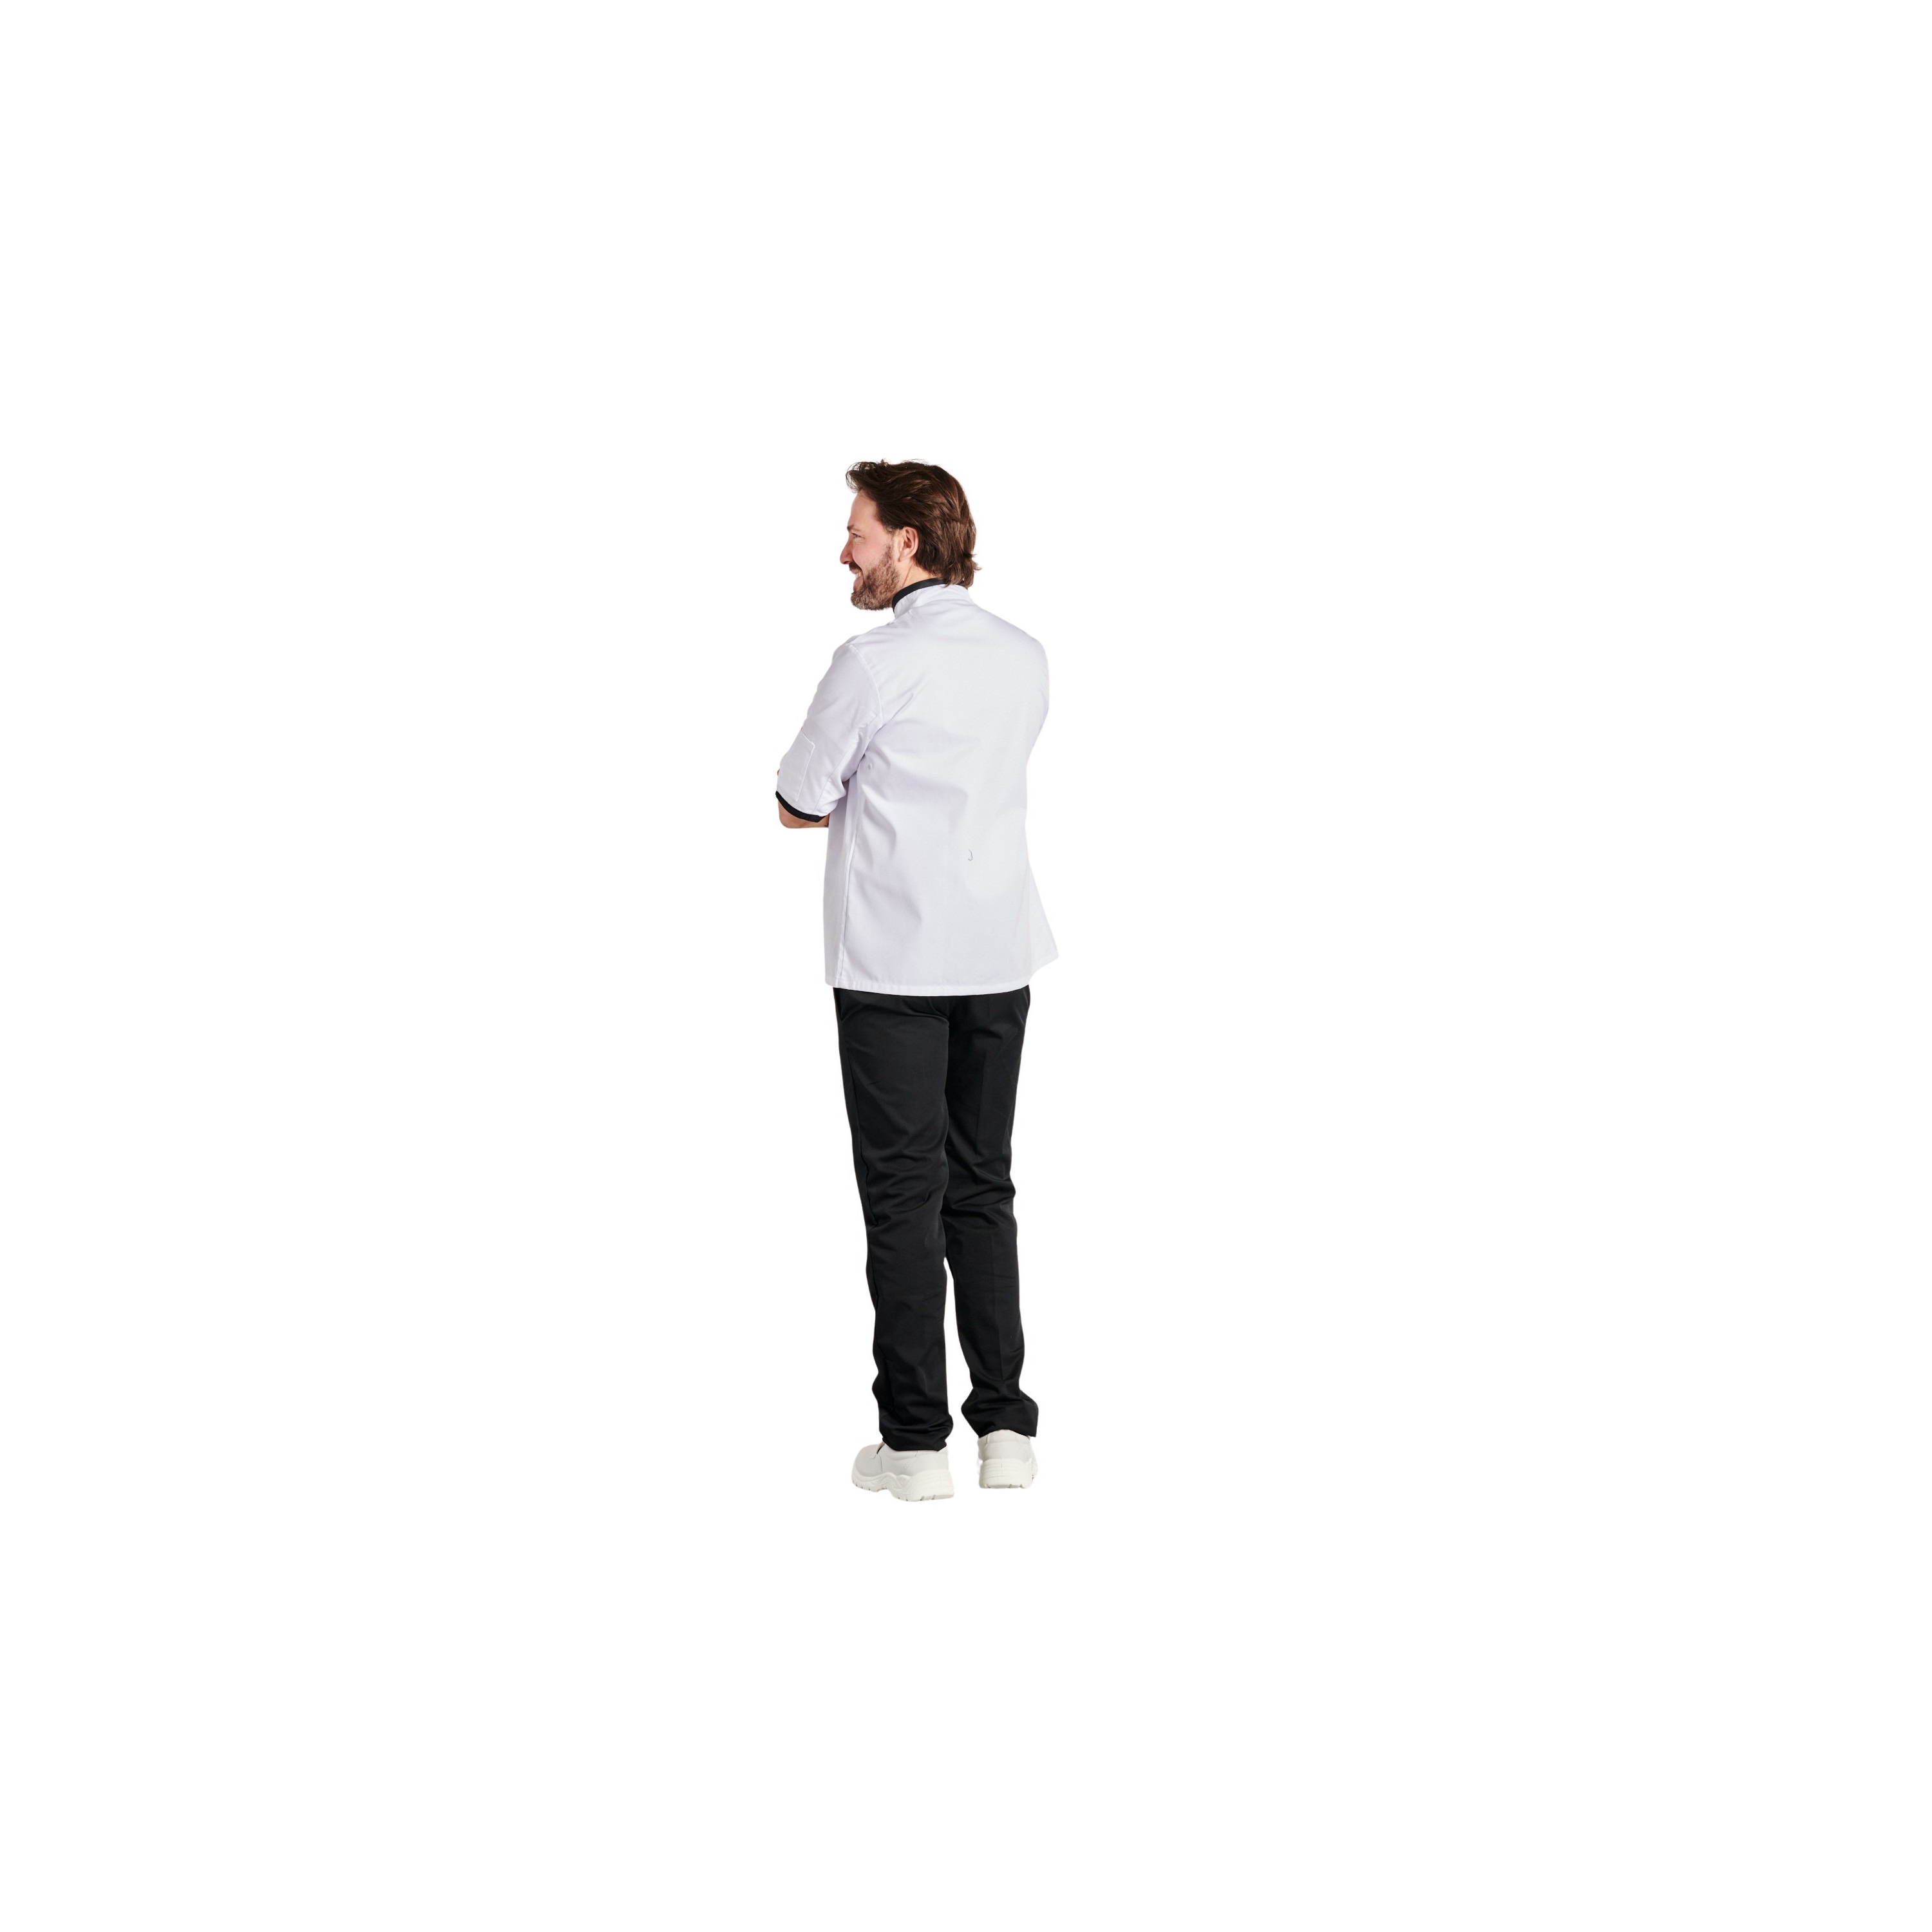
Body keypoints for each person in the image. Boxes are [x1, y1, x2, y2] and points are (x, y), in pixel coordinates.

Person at [775, 461, 1057, 1502]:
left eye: (857, 533)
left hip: (894, 962)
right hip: (999, 956)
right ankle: (1006, 1430)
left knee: (904, 1198)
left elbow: (799, 798)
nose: (843, 553)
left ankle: (914, 1445)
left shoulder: (872, 661)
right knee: (982, 1188)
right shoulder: (1024, 655)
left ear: (907, 540)